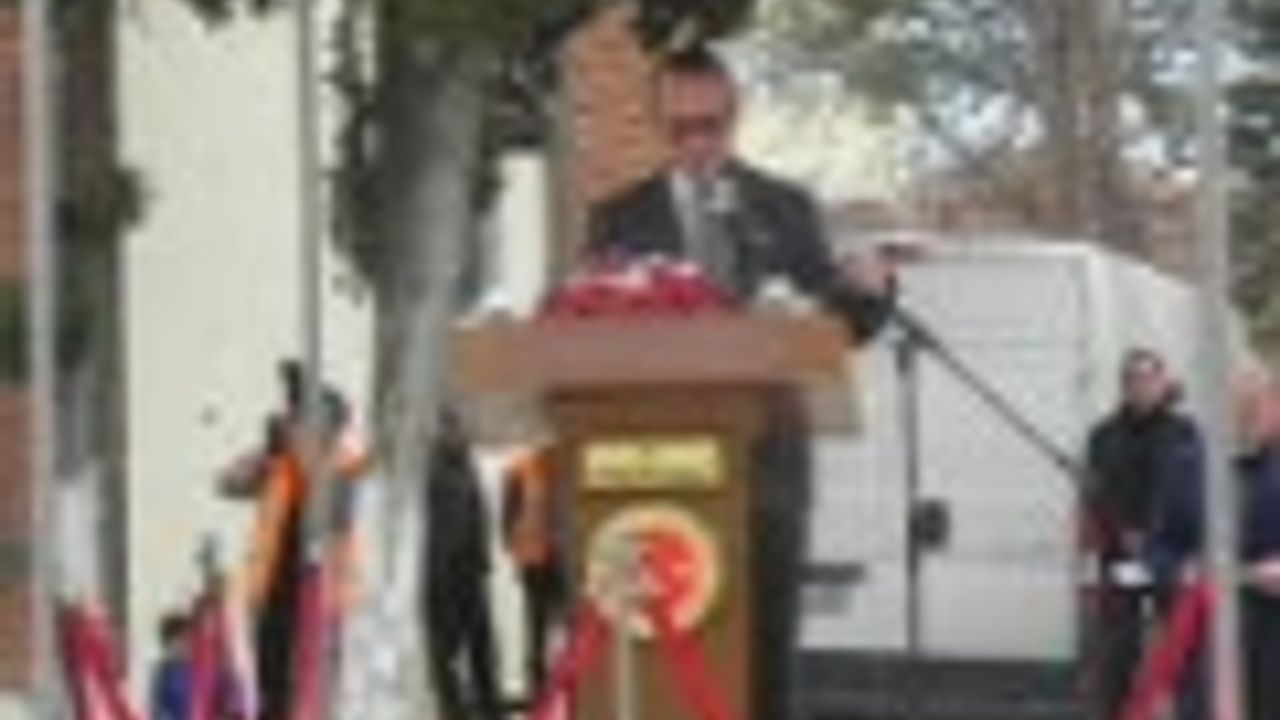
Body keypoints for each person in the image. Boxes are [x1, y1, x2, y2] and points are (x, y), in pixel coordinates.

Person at [585, 46, 895, 720]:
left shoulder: (784, 208)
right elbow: (588, 338)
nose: (697, 143)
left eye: (712, 125)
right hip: (658, 475)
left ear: (736, 115)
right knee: (668, 671)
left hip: (768, 472)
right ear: (656, 123)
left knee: (765, 663)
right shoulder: (618, 219)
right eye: (680, 128)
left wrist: (872, 296)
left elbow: (831, 325)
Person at [1148, 372, 1280, 720]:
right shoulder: (1186, 467)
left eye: (1256, 406)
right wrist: (1185, 570)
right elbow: (1159, 548)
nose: (1245, 417)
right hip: (1206, 636)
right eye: (1237, 407)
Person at [1085, 348, 1205, 718]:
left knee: (1182, 646)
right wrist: (1120, 532)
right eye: (1134, 379)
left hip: (1169, 554)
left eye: (1150, 378)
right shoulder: (1103, 434)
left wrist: (1160, 537)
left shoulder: (1184, 431)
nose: (1142, 386)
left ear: (1163, 383)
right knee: (1117, 652)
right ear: (1123, 386)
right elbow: (1095, 495)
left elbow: (1193, 491)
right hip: (1121, 557)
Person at [423, 410, 502, 720]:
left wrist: (483, 560)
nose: (460, 436)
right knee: (445, 651)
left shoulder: (468, 466)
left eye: (460, 430)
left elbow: (480, 515)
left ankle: (489, 707)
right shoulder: (431, 469)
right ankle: (453, 710)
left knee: (482, 645)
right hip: (441, 574)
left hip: (470, 571)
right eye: (452, 430)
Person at [500, 444, 567, 699]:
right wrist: (518, 553)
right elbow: (507, 521)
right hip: (536, 560)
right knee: (538, 624)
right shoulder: (520, 470)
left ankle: (560, 681)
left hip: (558, 558)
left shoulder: (563, 463)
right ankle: (539, 686)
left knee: (559, 622)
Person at [150, 612, 194, 720]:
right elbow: (158, 710)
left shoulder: (198, 668)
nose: (185, 643)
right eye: (180, 639)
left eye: (188, 638)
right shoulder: (163, 671)